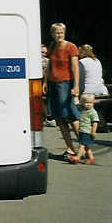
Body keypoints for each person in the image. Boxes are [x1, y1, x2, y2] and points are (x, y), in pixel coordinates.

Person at [44, 22, 80, 159]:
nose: (58, 35)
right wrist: (45, 81)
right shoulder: (52, 46)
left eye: (61, 32)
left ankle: (84, 147)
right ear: (52, 34)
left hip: (65, 84)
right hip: (53, 84)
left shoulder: (71, 47)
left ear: (64, 33)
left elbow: (75, 67)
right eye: (56, 33)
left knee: (70, 115)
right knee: (59, 118)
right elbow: (49, 65)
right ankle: (70, 148)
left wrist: (76, 86)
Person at [68, 93, 99, 165]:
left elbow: (95, 122)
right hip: (82, 131)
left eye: (90, 103)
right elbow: (76, 105)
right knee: (87, 147)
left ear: (93, 102)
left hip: (87, 132)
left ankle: (77, 157)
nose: (88, 104)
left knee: (81, 145)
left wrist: (93, 131)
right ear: (82, 103)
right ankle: (91, 158)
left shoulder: (93, 112)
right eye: (86, 103)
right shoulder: (83, 110)